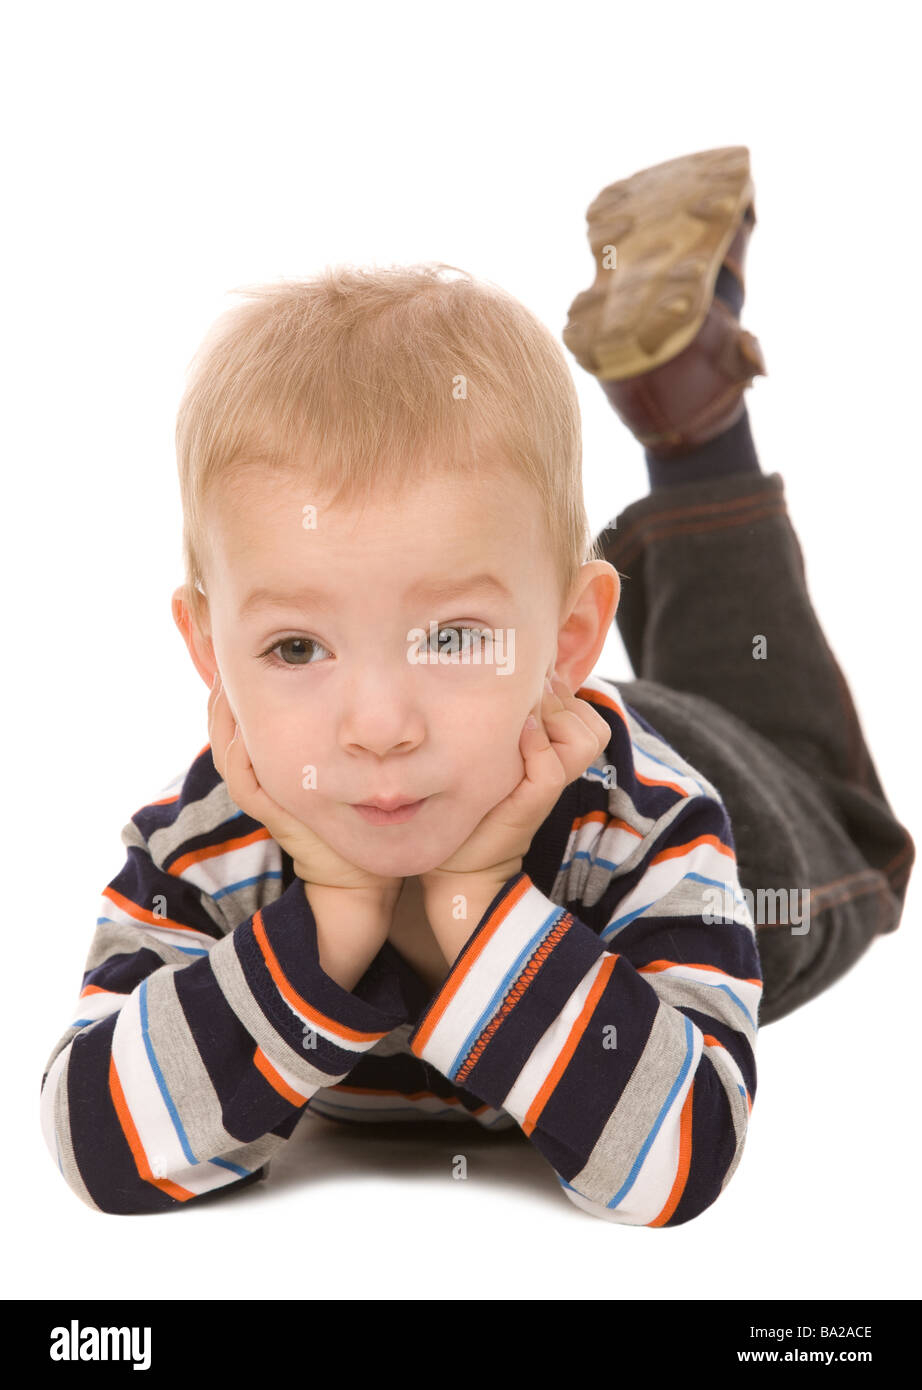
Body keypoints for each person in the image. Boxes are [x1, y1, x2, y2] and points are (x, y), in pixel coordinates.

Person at [39, 146, 909, 1225]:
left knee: (844, 821)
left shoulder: (649, 830)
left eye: (450, 637)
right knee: (681, 664)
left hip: (688, 774)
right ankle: (675, 392)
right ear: (209, 649)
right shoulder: (206, 841)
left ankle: (701, 438)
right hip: (520, 720)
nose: (378, 727)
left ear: (567, 638)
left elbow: (681, 1157)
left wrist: (475, 902)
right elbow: (95, 1140)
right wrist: (333, 916)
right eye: (298, 649)